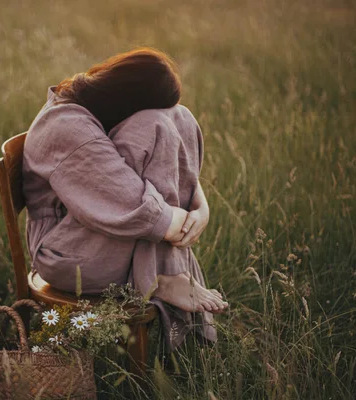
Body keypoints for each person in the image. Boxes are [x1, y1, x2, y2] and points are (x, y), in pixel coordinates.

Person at [23, 48, 227, 349]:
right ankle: (160, 278)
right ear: (130, 102)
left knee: (178, 117)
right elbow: (132, 206)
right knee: (156, 126)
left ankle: (163, 278)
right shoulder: (67, 128)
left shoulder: (94, 104)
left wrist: (201, 208)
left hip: (99, 233)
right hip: (66, 253)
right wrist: (183, 224)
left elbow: (168, 184)